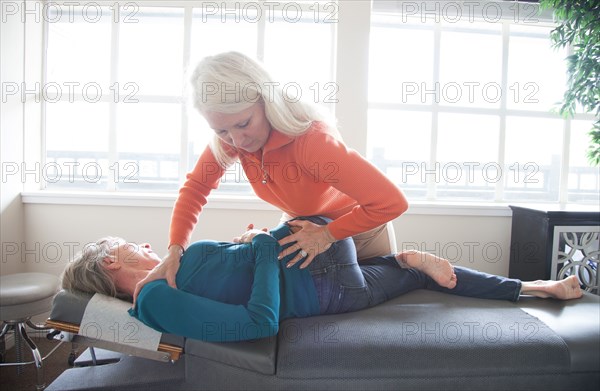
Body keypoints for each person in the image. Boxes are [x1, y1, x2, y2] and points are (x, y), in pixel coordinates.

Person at [133, 51, 410, 301]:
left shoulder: (310, 142)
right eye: (222, 131)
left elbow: (392, 202)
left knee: (366, 313)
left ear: (266, 101)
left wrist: (327, 234)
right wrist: (174, 251)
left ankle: (417, 265)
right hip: (306, 227)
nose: (237, 140)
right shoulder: (231, 138)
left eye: (243, 123)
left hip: (359, 232)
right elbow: (196, 188)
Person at [62, 216, 583, 343]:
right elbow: (260, 322)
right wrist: (266, 248)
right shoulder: (154, 299)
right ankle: (394, 250)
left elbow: (236, 277)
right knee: (359, 210)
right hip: (328, 278)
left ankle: (538, 288)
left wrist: (250, 245)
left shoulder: (169, 272)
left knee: (420, 271)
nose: (143, 245)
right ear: (111, 263)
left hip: (337, 288)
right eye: (127, 245)